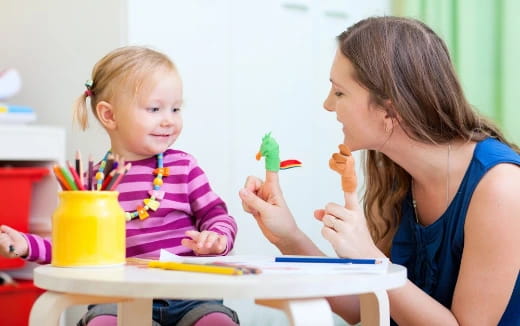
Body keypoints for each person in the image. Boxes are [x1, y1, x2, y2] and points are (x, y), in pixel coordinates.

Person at [239, 16, 519, 325]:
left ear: (390, 108)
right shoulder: (395, 172)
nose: (328, 105)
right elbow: (362, 307)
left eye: (340, 92)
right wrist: (288, 236)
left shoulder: (500, 188)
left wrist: (371, 258)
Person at [0, 46, 240, 326]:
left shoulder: (184, 167)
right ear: (109, 116)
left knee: (216, 323)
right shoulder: (90, 183)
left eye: (176, 108)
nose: (169, 119)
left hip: (192, 295)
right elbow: (73, 249)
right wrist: (26, 245)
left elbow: (218, 215)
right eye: (154, 108)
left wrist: (217, 238)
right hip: (117, 299)